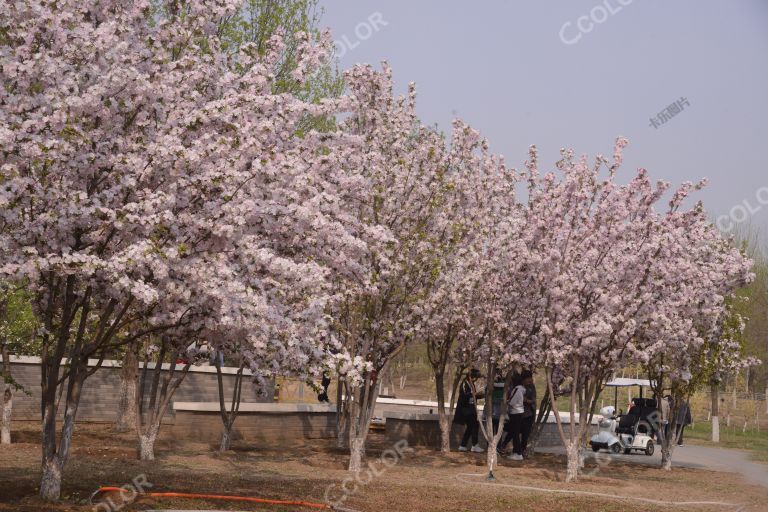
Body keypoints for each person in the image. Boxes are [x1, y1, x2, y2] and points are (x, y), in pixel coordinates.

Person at [454, 368, 485, 453]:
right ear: (471, 377)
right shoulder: (464, 383)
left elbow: (473, 396)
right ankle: (475, 445)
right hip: (466, 409)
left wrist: (480, 396)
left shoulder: (471, 384)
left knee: (471, 427)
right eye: (475, 378)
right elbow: (466, 395)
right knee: (474, 425)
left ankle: (463, 445)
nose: (476, 380)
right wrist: (476, 394)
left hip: (471, 408)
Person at [500, 375, 526, 460]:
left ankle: (518, 453)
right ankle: (516, 452)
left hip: (516, 413)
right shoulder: (520, 389)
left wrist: (506, 401)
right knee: (514, 433)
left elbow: (512, 401)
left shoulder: (517, 389)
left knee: (515, 434)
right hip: (518, 412)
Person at [520, 371, 536, 458]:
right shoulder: (518, 386)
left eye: (531, 378)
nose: (530, 380)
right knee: (514, 432)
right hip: (518, 413)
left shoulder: (531, 387)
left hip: (528, 414)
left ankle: (523, 451)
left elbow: (534, 400)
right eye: (528, 378)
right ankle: (515, 450)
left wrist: (526, 400)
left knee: (525, 434)